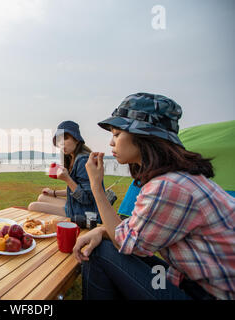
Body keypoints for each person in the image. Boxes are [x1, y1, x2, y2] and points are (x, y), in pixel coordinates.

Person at [73, 92, 235, 300]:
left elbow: (125, 242)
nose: (111, 143)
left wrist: (96, 185)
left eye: (116, 134)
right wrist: (103, 230)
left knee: (102, 252)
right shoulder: (176, 178)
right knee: (104, 245)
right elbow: (138, 228)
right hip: (189, 281)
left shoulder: (167, 186)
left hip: (207, 295)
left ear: (143, 137)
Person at [28, 121, 101, 221]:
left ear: (76, 139)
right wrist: (53, 192)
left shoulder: (83, 161)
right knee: (42, 197)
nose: (61, 144)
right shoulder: (73, 158)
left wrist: (67, 179)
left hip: (86, 213)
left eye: (65, 138)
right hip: (76, 205)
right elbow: (76, 190)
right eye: (59, 141)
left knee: (33, 206)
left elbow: (87, 199)